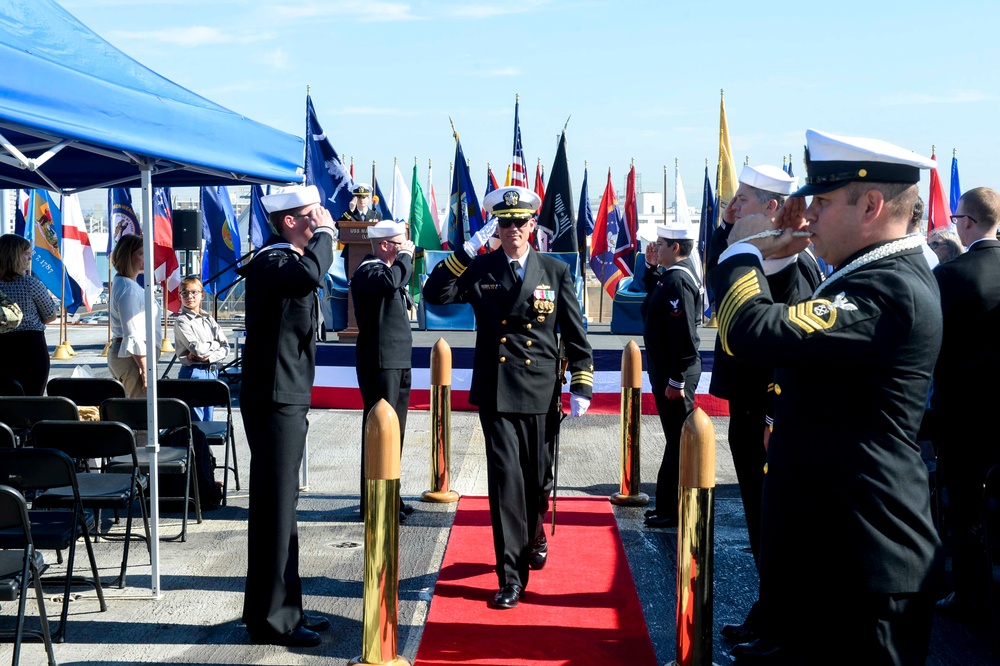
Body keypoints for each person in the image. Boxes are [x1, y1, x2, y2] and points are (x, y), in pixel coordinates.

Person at [715, 129, 942, 665]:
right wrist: (773, 259)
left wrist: (743, 251)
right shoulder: (868, 275)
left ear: (871, 204)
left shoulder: (889, 288)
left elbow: (750, 330)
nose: (808, 215)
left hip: (865, 563)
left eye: (821, 201)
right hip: (836, 555)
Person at [423, 186, 594, 610]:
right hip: (497, 390)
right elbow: (435, 293)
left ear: (532, 225)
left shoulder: (554, 271)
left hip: (540, 391)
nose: (513, 229)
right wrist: (470, 247)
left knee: (537, 481)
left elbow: (573, 331)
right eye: (505, 222)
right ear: (496, 227)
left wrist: (582, 382)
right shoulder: (482, 268)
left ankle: (535, 532)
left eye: (520, 221)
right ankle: (510, 578)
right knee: (505, 485)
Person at [707, 165, 822, 646]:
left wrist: (774, 420)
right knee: (760, 520)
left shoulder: (797, 273)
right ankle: (770, 609)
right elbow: (725, 262)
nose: (734, 210)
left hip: (770, 421)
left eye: (745, 201)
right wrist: (730, 221)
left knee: (777, 526)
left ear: (773, 209)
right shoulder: (756, 259)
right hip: (747, 413)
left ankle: (781, 624)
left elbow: (787, 361)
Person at [235, 184, 335, 648]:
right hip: (274, 397)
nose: (322, 220)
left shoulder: (287, 261)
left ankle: (280, 609)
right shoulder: (276, 261)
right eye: (313, 215)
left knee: (283, 508)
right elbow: (311, 275)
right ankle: (273, 620)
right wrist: (329, 235)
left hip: (283, 393)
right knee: (276, 509)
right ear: (290, 221)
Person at [931, 187, 1000, 622]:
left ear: (968, 222)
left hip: (962, 414)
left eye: (957, 218)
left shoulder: (952, 275)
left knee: (964, 505)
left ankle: (971, 594)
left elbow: (931, 345)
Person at [351, 219, 415, 521]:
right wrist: (405, 258)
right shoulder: (369, 270)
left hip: (397, 360)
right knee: (380, 433)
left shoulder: (387, 270)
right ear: (386, 245)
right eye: (401, 243)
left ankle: (391, 495)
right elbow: (390, 282)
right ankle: (374, 502)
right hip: (380, 362)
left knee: (395, 433)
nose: (407, 248)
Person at [639, 222, 702, 529]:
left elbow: (685, 337)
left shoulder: (678, 282)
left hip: (676, 376)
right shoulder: (668, 279)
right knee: (674, 440)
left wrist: (676, 379)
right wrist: (651, 269)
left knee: (679, 441)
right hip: (666, 373)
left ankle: (673, 509)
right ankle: (666, 505)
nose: (656, 248)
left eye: (661, 244)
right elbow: (650, 311)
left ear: (675, 248)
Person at [0, 234, 57, 395]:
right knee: (31, 400)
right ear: (14, 256)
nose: (30, 256)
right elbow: (50, 315)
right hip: (30, 348)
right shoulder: (31, 284)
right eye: (26, 253)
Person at [108, 233, 160, 398]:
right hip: (132, 358)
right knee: (140, 412)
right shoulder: (128, 289)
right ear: (127, 256)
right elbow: (132, 333)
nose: (146, 257)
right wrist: (145, 369)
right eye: (141, 253)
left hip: (132, 356)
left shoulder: (126, 284)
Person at [173, 275, 229, 421]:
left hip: (212, 372)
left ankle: (205, 445)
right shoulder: (182, 321)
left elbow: (226, 346)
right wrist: (216, 344)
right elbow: (196, 349)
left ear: (202, 295)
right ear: (180, 296)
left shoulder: (209, 319)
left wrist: (210, 356)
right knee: (196, 422)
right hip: (194, 373)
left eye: (194, 292)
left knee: (208, 421)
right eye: (184, 293)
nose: (189, 296)